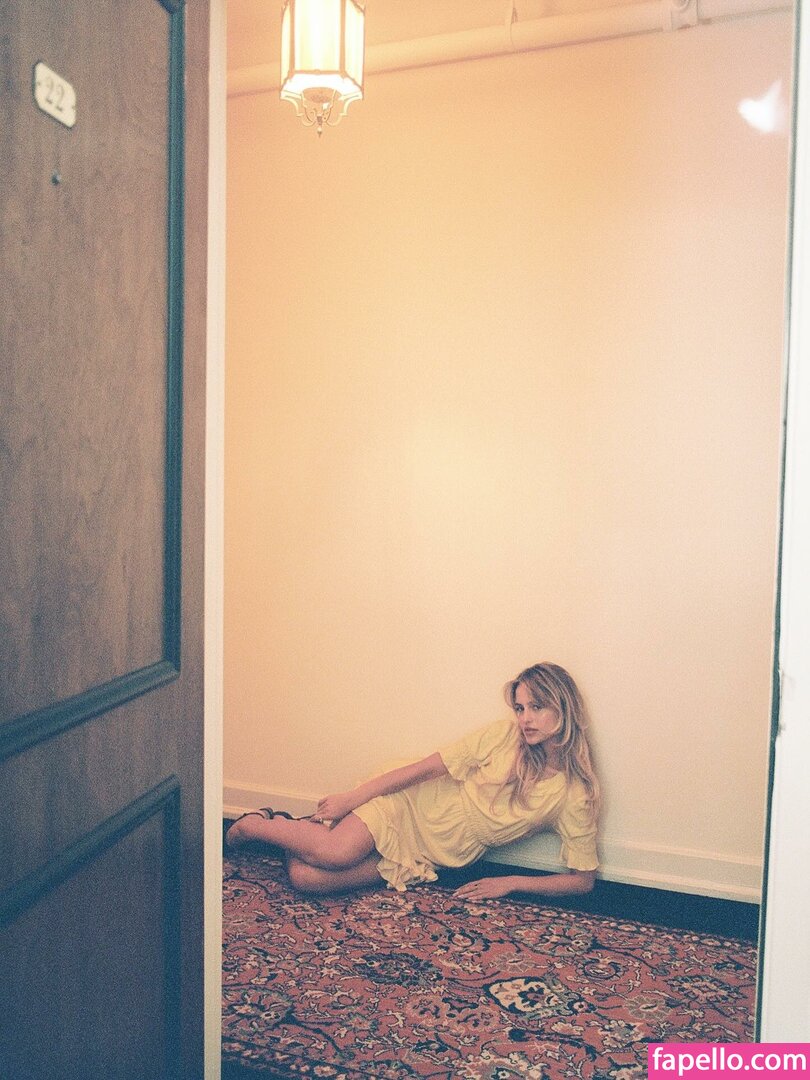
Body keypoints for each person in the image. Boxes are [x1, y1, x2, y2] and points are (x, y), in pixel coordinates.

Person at [226, 662, 600, 900]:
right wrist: (353, 798)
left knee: (309, 879)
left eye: (536, 707)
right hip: (414, 803)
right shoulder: (504, 736)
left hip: (436, 854)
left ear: (563, 707)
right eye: (520, 708)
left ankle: (294, 828)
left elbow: (583, 881)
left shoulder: (573, 794)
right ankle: (253, 825)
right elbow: (423, 769)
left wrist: (510, 882)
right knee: (335, 853)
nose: (525, 719)